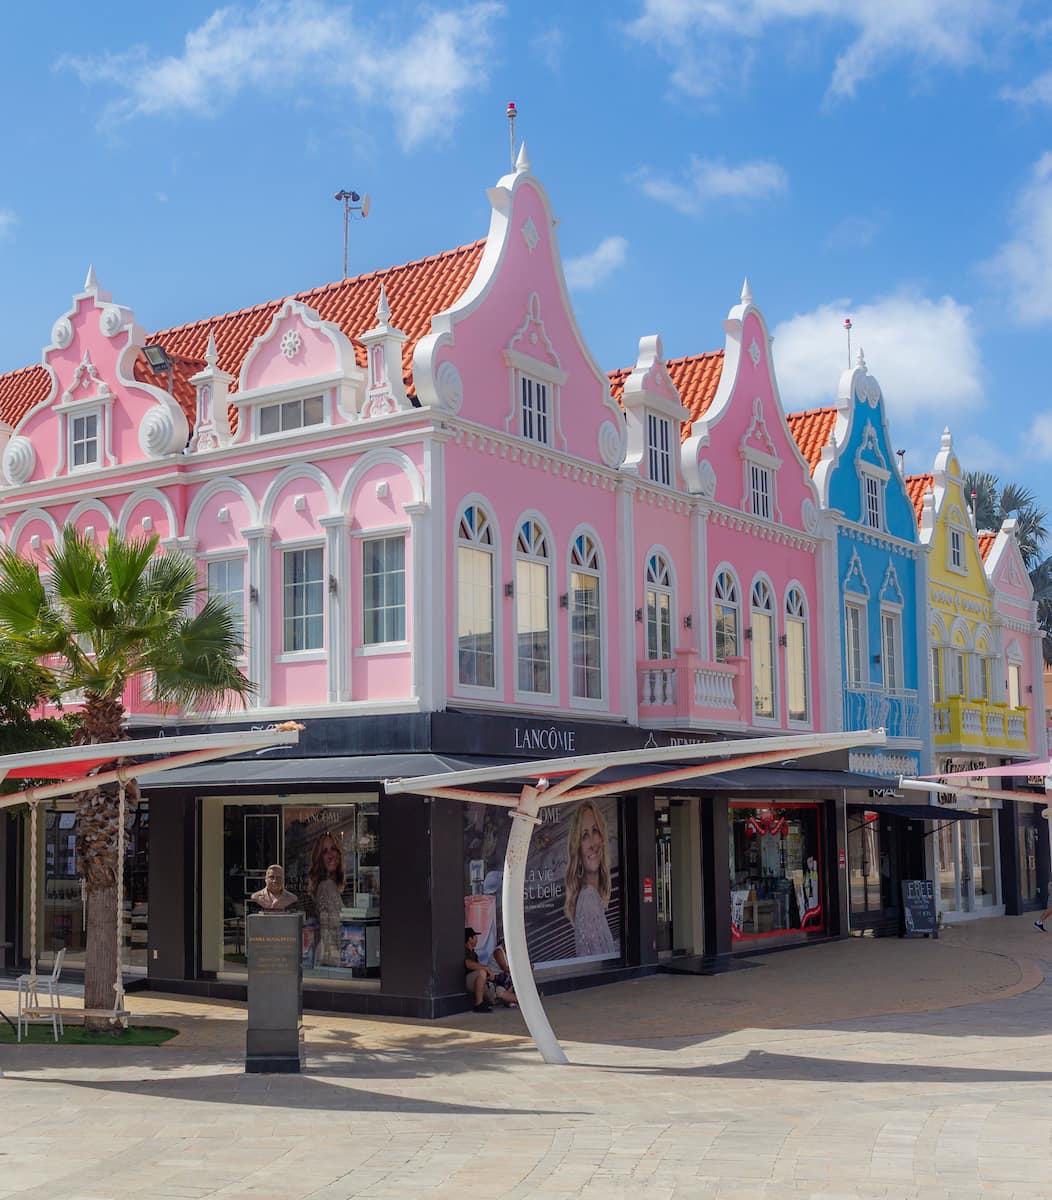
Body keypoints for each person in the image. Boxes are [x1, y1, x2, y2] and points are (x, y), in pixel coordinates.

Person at [563, 800, 616, 958]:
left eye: (595, 831)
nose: (592, 843)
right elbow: (600, 960)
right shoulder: (589, 900)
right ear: (577, 849)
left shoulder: (592, 896)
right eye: (585, 836)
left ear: (602, 837)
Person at [308, 831, 345, 966]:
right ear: (319, 859)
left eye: (333, 849)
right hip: (333, 955)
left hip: (328, 952)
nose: (330, 855)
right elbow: (336, 924)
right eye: (324, 851)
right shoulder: (327, 886)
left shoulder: (329, 885)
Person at [464, 927, 517, 1012]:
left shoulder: (473, 953)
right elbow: (468, 964)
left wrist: (488, 975)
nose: (477, 939)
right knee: (482, 972)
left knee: (499, 990)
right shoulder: (464, 950)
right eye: (475, 936)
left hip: (481, 982)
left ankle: (525, 1001)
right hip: (465, 982)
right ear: (470, 939)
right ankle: (479, 1004)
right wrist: (486, 969)